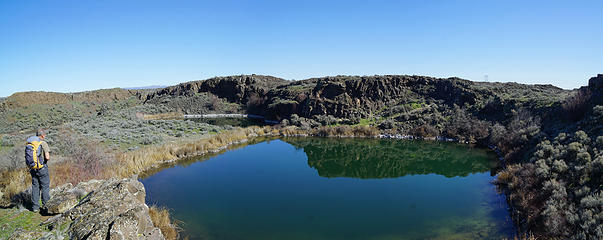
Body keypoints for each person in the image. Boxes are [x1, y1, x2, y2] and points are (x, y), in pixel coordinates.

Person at [26, 129, 51, 213]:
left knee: (35, 186)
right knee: (45, 186)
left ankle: (35, 207)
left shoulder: (30, 143)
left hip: (33, 168)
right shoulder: (43, 143)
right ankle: (46, 205)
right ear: (43, 136)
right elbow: (47, 157)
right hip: (42, 168)